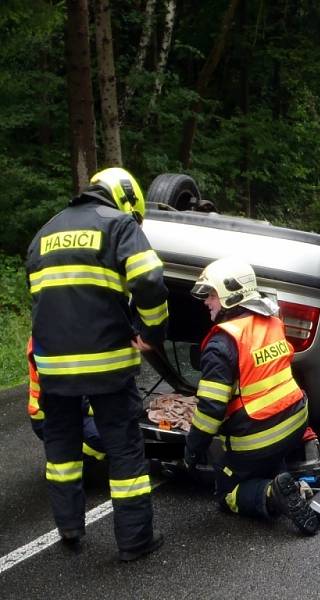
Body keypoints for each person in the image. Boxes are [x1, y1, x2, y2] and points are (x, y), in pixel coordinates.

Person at [25, 167, 169, 561]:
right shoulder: (118, 225)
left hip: (52, 368)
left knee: (62, 452)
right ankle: (135, 541)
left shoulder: (44, 232)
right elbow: (150, 279)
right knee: (124, 449)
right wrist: (152, 331)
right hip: (107, 364)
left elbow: (42, 301)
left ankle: (69, 528)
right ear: (126, 197)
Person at [184, 257, 319, 536]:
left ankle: (272, 495)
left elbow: (210, 411)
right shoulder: (271, 322)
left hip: (257, 441)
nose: (206, 302)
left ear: (230, 295)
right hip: (294, 425)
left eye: (211, 295)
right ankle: (281, 480)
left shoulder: (222, 343)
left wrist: (192, 448)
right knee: (266, 461)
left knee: (226, 492)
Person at [26, 338, 106, 461]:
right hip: (49, 416)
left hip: (66, 409)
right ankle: (79, 460)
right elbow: (71, 391)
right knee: (110, 435)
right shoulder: (48, 338)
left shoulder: (64, 330)